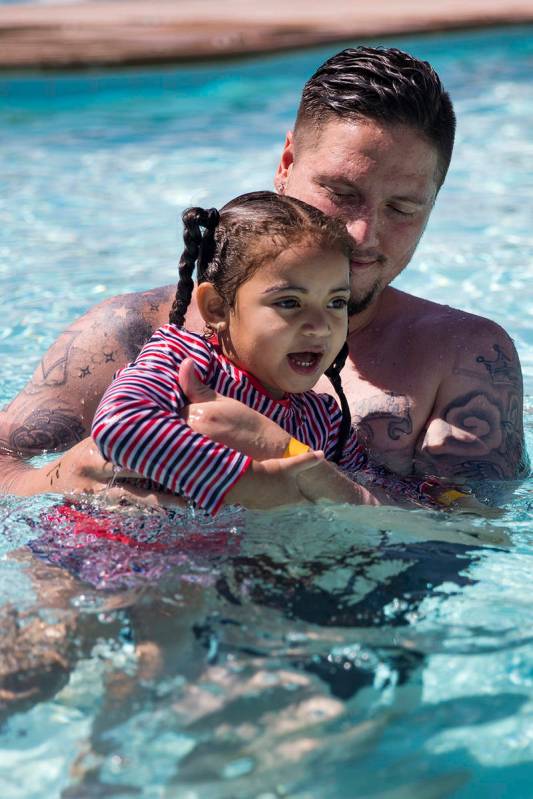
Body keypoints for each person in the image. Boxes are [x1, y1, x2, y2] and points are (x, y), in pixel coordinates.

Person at [0, 46, 527, 499]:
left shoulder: (460, 358)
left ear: (435, 201)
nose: (363, 235)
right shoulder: (132, 335)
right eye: (342, 194)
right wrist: (59, 477)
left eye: (403, 207)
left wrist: (311, 479)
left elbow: (481, 533)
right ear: (286, 162)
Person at [91, 191, 455, 513]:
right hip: (103, 543)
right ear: (217, 307)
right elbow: (119, 426)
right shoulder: (184, 360)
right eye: (289, 302)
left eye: (336, 301)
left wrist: (440, 498)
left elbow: (369, 480)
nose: (320, 325)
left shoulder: (321, 419)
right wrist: (246, 482)